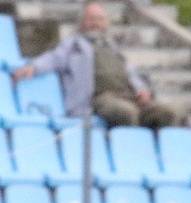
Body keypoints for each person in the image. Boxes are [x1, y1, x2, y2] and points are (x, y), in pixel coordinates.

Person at [12, 2, 176, 128]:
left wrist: (142, 90)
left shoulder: (114, 47)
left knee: (168, 113)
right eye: (91, 19)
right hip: (100, 99)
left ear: (106, 23)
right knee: (127, 113)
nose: (96, 23)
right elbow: (54, 58)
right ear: (82, 22)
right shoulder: (74, 45)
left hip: (129, 97)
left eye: (100, 19)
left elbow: (132, 74)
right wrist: (33, 67)